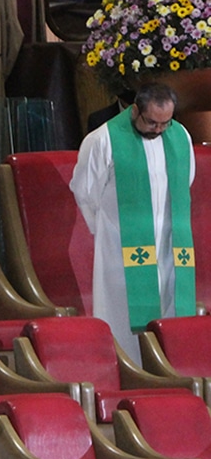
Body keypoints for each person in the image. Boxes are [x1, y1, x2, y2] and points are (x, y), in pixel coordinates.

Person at [70, 82, 195, 362]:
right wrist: (107, 231)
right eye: (152, 122)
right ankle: (131, 373)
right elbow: (84, 191)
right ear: (134, 109)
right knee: (124, 317)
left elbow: (186, 180)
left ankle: (174, 375)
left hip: (170, 245)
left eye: (166, 123)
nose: (159, 130)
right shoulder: (103, 139)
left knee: (171, 307)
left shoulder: (180, 136)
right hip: (120, 247)